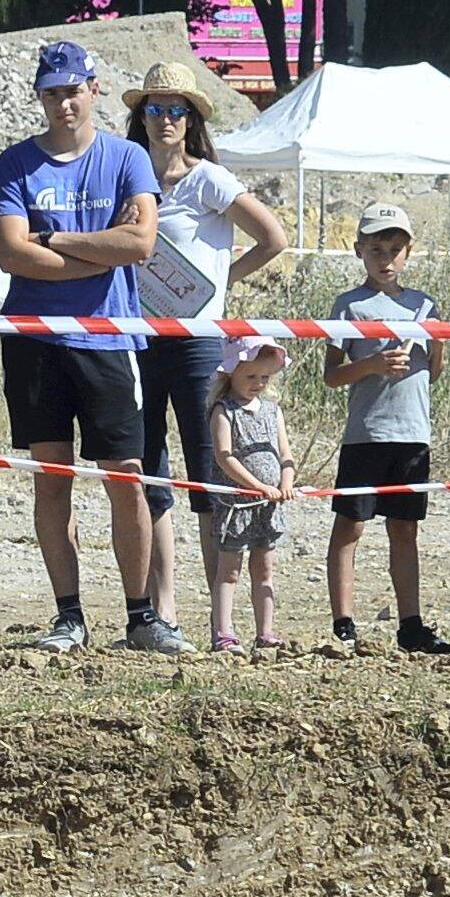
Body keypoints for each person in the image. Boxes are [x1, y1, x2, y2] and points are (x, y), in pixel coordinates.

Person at [0, 42, 170, 654]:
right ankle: (69, 614)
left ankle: (141, 614)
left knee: (126, 474)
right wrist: (98, 247)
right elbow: (12, 254)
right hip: (35, 338)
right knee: (52, 479)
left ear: (93, 89)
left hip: (110, 336)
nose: (63, 102)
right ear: (40, 96)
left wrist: (60, 240)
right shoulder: (15, 163)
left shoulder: (127, 157)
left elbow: (141, 245)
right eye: (51, 92)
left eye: (72, 90)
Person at [121, 61, 285, 618]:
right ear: (140, 116)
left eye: (176, 110)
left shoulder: (209, 178)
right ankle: (163, 608)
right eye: (155, 108)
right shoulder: (128, 175)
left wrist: (221, 284)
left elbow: (273, 237)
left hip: (195, 342)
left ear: (191, 120)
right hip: (139, 338)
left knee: (209, 470)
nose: (165, 119)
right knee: (149, 470)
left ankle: (223, 617)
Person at [324, 200, 450, 656]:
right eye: (377, 248)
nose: (386, 258)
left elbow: (433, 372)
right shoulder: (350, 306)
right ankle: (343, 624)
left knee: (404, 529)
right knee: (351, 527)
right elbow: (332, 374)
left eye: (395, 248)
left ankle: (410, 624)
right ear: (359, 250)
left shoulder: (425, 305)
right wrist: (373, 363)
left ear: (408, 252)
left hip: (412, 433)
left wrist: (434, 345)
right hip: (366, 434)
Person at [201, 336, 290, 654]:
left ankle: (265, 631)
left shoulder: (272, 411)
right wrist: (256, 485)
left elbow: (285, 454)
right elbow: (225, 456)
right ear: (230, 374)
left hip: (268, 506)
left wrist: (286, 481)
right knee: (230, 570)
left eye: (264, 377)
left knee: (264, 570)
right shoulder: (224, 411)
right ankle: (223, 632)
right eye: (250, 376)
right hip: (237, 506)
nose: (258, 383)